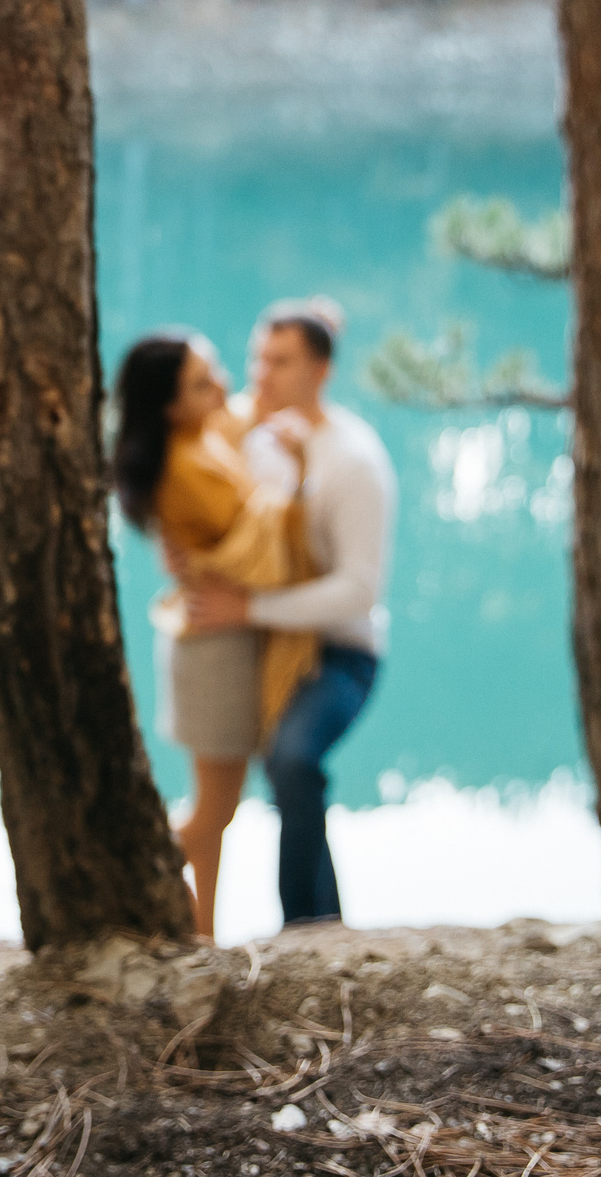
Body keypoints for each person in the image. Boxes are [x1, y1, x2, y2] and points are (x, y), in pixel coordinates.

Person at [173, 298, 395, 928]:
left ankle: (307, 928)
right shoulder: (252, 437)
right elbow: (190, 474)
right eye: (256, 358)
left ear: (320, 371)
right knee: (218, 786)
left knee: (293, 759)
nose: (259, 375)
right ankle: (220, 925)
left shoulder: (354, 460)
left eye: (279, 362)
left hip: (339, 653)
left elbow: (358, 592)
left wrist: (248, 608)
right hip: (262, 641)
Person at [109, 330, 319, 940]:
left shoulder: (195, 436)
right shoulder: (189, 467)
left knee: (215, 809)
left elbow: (235, 419)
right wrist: (301, 480)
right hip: (216, 649)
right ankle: (127, 888)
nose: (224, 386)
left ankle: (201, 931)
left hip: (206, 639)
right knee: (215, 810)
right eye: (204, 382)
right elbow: (267, 552)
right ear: (171, 406)